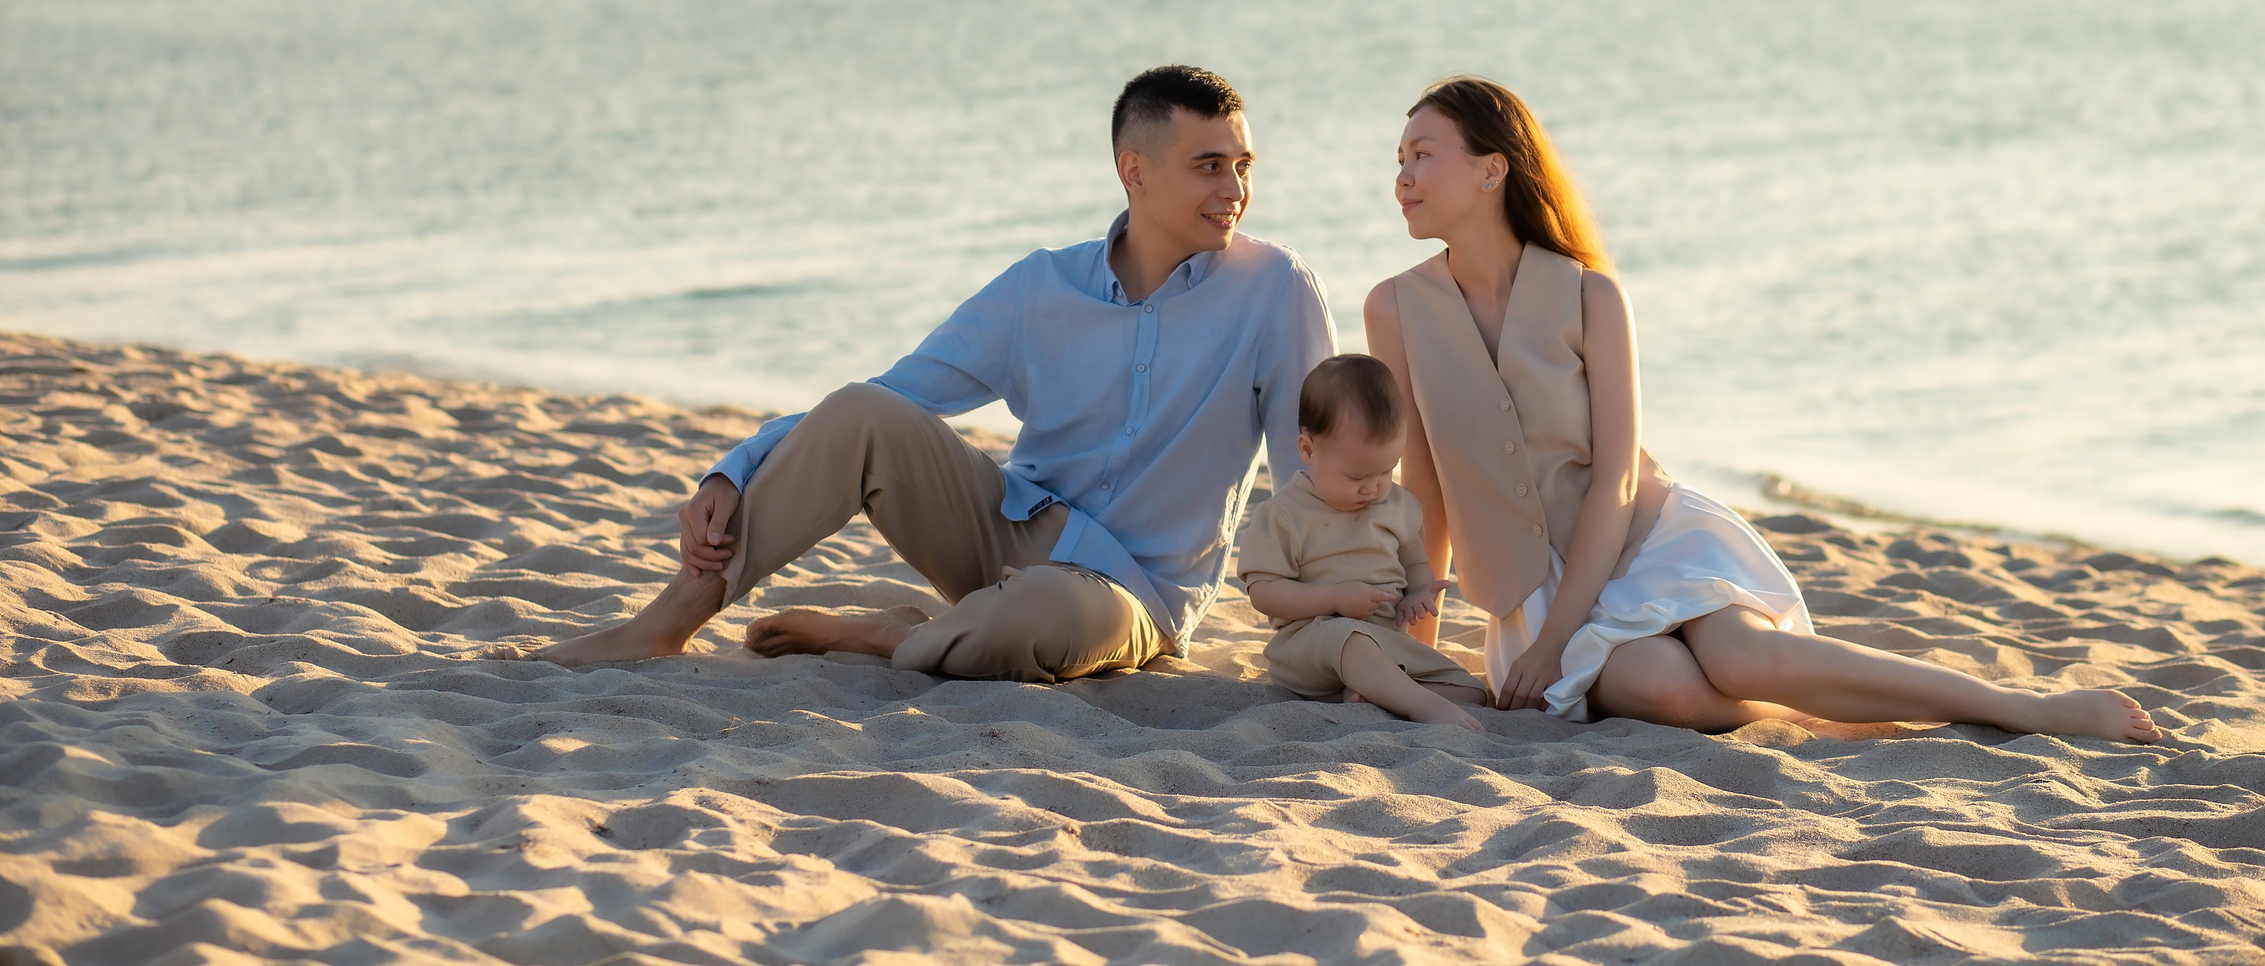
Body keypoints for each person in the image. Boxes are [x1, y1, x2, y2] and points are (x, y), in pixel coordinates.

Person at [1365, 76, 2162, 743]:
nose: (1402, 177)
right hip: (1528, 589)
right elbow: (1425, 486)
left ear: (1492, 170)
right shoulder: (1395, 309)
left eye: (1423, 156)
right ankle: (1821, 716)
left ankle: (2022, 708)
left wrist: (1558, 638)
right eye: (1399, 159)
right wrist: (1421, 662)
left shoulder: (1591, 294)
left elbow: (1613, 478)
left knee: (1742, 658)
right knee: (1661, 686)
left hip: (1643, 540)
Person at [522, 64, 1334, 682]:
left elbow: (1312, 471)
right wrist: (735, 468)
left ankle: (889, 632)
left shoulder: (1274, 290)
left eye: (1244, 164)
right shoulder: (1040, 286)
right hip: (1011, 534)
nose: (1236, 190)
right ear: (1136, 171)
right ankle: (668, 619)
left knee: (1044, 615)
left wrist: (1347, 624)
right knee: (861, 410)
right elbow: (896, 395)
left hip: (1133, 593)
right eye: (1209, 165)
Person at [1236, 354, 1485, 729]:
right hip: (1311, 642)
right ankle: (1419, 705)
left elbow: (1415, 562)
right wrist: (1334, 599)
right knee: (1348, 637)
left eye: (1386, 470)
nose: (1373, 487)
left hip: (1383, 643)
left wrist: (1418, 593)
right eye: (1356, 476)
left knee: (1472, 691)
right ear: (1308, 450)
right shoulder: (1284, 514)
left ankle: (1369, 693)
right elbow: (1263, 592)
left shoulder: (1398, 505)